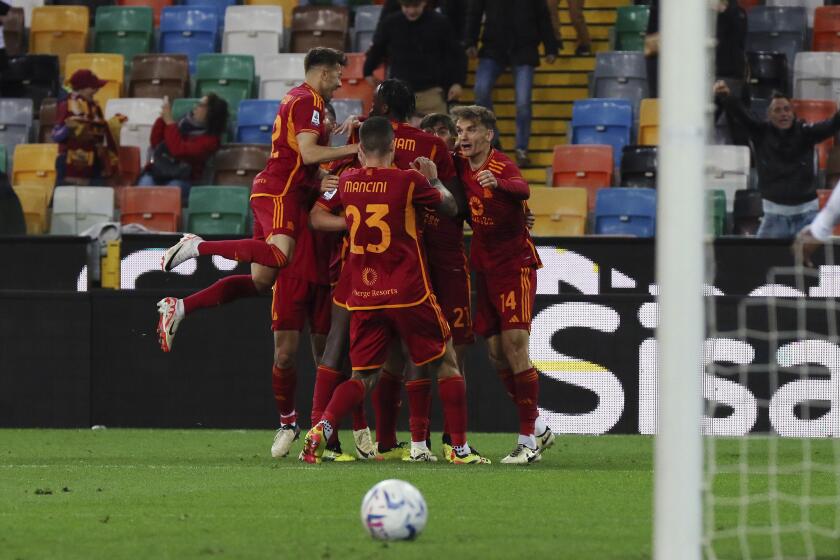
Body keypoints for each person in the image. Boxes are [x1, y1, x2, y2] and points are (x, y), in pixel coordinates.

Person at [155, 48, 359, 456]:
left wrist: (331, 158)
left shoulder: (304, 101)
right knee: (279, 258)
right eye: (338, 74)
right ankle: (197, 245)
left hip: (275, 191)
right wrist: (355, 150)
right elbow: (308, 155)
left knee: (262, 278)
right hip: (279, 193)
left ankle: (180, 307)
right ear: (323, 71)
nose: (341, 81)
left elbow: (309, 162)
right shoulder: (309, 101)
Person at [301, 116, 488, 465]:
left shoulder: (347, 181)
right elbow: (449, 208)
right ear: (392, 147)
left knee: (363, 375)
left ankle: (322, 426)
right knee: (446, 364)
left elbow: (319, 214)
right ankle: (459, 449)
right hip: (409, 291)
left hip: (365, 294)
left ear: (360, 151)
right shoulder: (409, 180)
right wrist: (434, 178)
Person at [451, 105, 554, 464]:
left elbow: (522, 187)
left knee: (515, 346)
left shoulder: (500, 165)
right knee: (495, 353)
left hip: (515, 266)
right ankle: (538, 425)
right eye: (460, 129)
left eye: (470, 130)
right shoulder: (460, 164)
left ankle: (527, 440)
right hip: (484, 266)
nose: (462, 136)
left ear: (488, 135)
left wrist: (502, 187)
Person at [715, 82, 840, 239]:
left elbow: (833, 124)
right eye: (778, 110)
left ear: (793, 113)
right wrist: (727, 96)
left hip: (807, 215)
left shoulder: (806, 133)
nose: (783, 114)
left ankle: (831, 266)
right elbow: (742, 115)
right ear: (769, 115)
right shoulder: (760, 133)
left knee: (826, 263)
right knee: (761, 262)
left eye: (787, 109)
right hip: (774, 217)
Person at [464, 0, 558, 167]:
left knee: (523, 103)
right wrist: (470, 41)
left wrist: (550, 47)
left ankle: (521, 149)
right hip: (493, 49)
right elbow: (474, 13)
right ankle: (494, 141)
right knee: (481, 91)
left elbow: (543, 17)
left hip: (524, 49)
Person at [364, 0, 467, 117]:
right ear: (400, 5)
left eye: (416, 6)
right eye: (407, 6)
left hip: (431, 92)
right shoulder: (390, 23)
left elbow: (456, 54)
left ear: (424, 3)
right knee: (397, 134)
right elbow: (377, 48)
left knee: (437, 133)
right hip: (399, 94)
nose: (411, 11)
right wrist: (367, 71)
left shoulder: (440, 23)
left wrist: (458, 82)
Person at [137, 94, 228, 204]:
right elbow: (156, 143)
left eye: (201, 105)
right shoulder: (181, 124)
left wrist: (170, 122)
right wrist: (162, 119)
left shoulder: (211, 141)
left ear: (211, 112)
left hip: (185, 179)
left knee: (171, 189)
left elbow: (179, 150)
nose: (195, 107)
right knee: (144, 185)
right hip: (160, 172)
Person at [52, 69, 121, 186]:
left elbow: (99, 131)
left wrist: (113, 124)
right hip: (69, 161)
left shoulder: (94, 107)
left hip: (93, 161)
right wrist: (69, 129)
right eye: (93, 87)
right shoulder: (67, 105)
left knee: (94, 200)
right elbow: (56, 136)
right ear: (81, 88)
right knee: (63, 200)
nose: (96, 90)